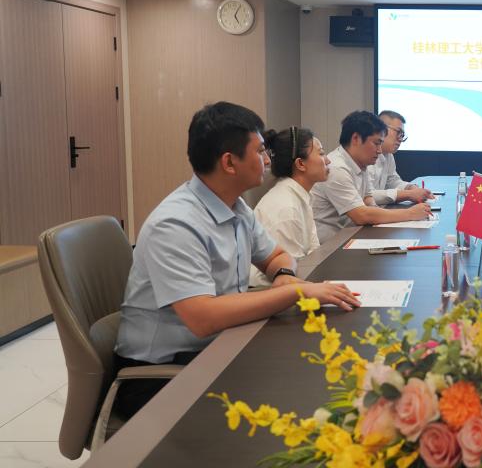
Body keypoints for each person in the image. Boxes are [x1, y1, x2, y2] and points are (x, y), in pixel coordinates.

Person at [115, 102, 359, 417]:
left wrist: (283, 275)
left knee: (308, 368)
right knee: (292, 395)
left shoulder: (236, 207)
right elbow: (203, 318)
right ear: (229, 162)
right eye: (260, 151)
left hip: (216, 346)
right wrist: (294, 292)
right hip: (160, 374)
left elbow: (276, 255)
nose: (268, 159)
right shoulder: (176, 224)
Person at [312, 110, 431, 240]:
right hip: (330, 244)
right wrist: (410, 213)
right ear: (356, 139)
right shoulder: (337, 168)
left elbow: (368, 200)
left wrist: (379, 215)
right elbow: (361, 215)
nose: (379, 151)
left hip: (351, 235)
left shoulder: (360, 163)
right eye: (376, 143)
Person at [249, 127, 330, 286]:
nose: (328, 160)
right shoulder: (286, 207)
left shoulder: (298, 194)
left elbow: (313, 252)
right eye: (321, 154)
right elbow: (289, 277)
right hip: (267, 291)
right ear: (300, 164)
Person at [367, 110, 432, 205]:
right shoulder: (365, 154)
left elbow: (393, 181)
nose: (400, 139)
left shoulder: (388, 155)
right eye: (398, 132)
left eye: (402, 135)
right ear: (381, 128)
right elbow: (367, 195)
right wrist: (408, 194)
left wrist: (411, 188)